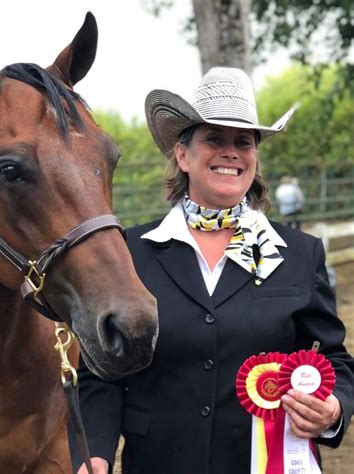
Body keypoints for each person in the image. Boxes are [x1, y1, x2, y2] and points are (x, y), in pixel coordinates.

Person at [69, 67, 354, 474]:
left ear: (255, 157)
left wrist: (334, 407)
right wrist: (92, 453)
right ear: (182, 155)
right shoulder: (131, 252)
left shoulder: (299, 255)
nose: (231, 151)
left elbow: (334, 359)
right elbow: (102, 374)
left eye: (244, 142)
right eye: (214, 139)